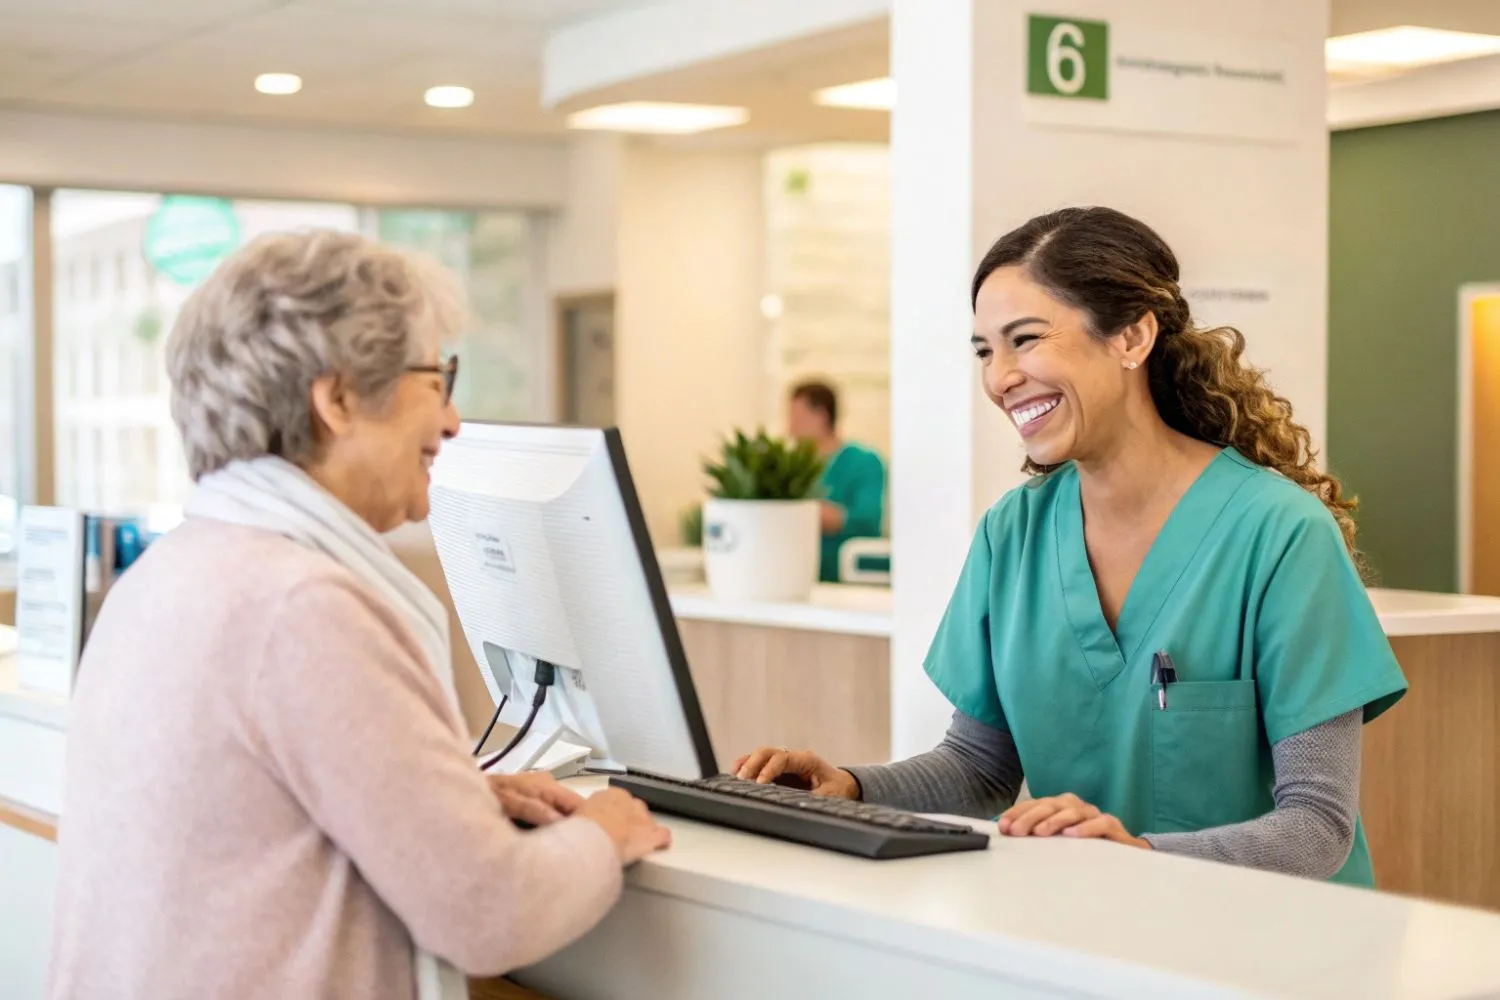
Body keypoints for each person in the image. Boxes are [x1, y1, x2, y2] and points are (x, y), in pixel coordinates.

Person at [48, 231, 669, 1000]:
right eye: (435, 380)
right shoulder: (300, 608)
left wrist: (448, 804)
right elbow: (490, 912)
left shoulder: (174, 575)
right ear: (336, 398)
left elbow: (261, 825)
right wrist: (603, 832)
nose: (452, 421)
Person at [737, 207, 1407, 886]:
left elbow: (1318, 826)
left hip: (1270, 951)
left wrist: (1141, 858)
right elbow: (979, 768)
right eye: (983, 351)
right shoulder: (1014, 534)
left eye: (1024, 340)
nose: (999, 377)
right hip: (1090, 924)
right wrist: (850, 786)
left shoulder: (1279, 534)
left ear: (1132, 337)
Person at [787, 379, 887, 583]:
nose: (791, 428)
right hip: (800, 574)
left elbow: (867, 520)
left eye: (797, 418)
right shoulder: (793, 466)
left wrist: (820, 515)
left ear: (821, 416)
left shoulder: (864, 462)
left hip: (850, 575)